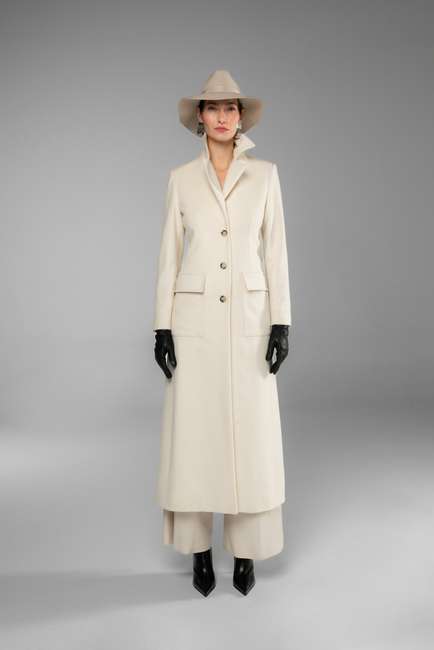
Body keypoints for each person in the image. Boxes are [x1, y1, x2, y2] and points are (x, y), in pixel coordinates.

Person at [153, 70, 292, 597]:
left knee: (251, 436)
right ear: (200, 117)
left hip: (251, 321)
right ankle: (199, 551)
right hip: (194, 325)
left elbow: (275, 250)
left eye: (230, 108)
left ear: (241, 117)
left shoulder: (266, 175)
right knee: (194, 435)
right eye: (212, 108)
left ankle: (247, 551)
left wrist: (281, 320)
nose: (222, 117)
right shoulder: (180, 178)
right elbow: (169, 255)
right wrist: (161, 326)